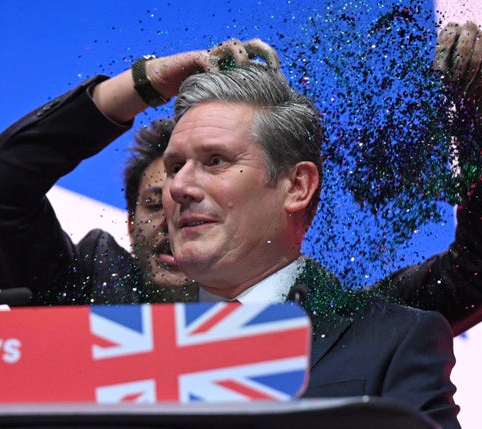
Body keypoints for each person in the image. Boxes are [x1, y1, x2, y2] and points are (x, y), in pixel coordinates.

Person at [0, 23, 482, 335]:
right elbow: (0, 183)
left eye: (214, 171)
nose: (179, 207)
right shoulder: (85, 297)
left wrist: (480, 98)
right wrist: (147, 82)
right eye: (155, 201)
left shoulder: (345, 327)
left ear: (293, 192)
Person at [162, 61, 461, 428]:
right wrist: (143, 82)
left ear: (297, 186)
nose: (179, 186)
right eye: (174, 166)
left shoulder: (390, 340)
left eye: (215, 161)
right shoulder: (118, 329)